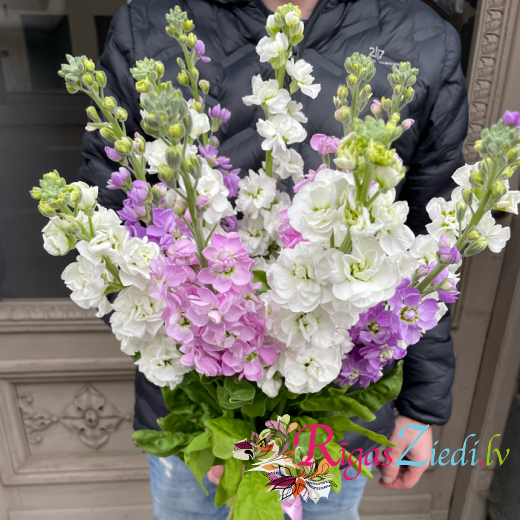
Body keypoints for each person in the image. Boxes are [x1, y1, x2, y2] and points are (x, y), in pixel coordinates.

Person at [80, 0, 468, 518]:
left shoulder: (420, 36)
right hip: (200, 408)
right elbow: (111, 228)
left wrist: (421, 407)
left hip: (332, 421)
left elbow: (425, 254)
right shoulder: (151, 19)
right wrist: (219, 424)